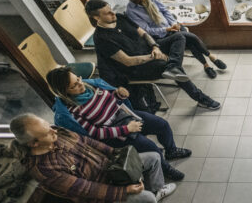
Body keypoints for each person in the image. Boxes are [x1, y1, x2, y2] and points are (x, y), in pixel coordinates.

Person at [9, 113, 175, 203]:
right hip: (101, 192)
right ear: (34, 144)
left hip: (111, 168)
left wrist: (120, 156)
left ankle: (157, 189)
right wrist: (125, 191)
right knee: (147, 199)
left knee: (153, 157)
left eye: (49, 126)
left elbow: (90, 143)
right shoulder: (44, 170)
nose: (54, 131)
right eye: (47, 132)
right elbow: (87, 189)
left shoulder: (58, 132)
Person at [46, 66, 190, 181]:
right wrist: (126, 129)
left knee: (162, 125)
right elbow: (95, 133)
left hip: (123, 116)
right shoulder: (72, 112)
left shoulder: (91, 86)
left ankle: (171, 150)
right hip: (114, 133)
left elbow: (110, 99)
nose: (81, 85)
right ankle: (166, 170)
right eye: (74, 86)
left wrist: (117, 94)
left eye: (78, 79)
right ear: (64, 92)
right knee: (150, 147)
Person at [84, 0, 221, 110]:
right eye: (107, 13)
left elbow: (144, 33)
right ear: (96, 17)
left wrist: (155, 47)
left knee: (179, 36)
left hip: (151, 51)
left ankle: (173, 67)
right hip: (136, 68)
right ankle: (201, 99)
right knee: (170, 66)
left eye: (111, 10)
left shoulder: (119, 17)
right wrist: (154, 56)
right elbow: (128, 61)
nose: (113, 14)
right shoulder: (101, 38)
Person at [123, 0, 227, 79]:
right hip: (161, 37)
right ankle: (211, 57)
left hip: (172, 27)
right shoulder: (131, 11)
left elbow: (165, 11)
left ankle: (206, 65)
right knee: (185, 36)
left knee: (189, 40)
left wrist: (174, 24)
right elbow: (147, 31)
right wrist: (167, 29)